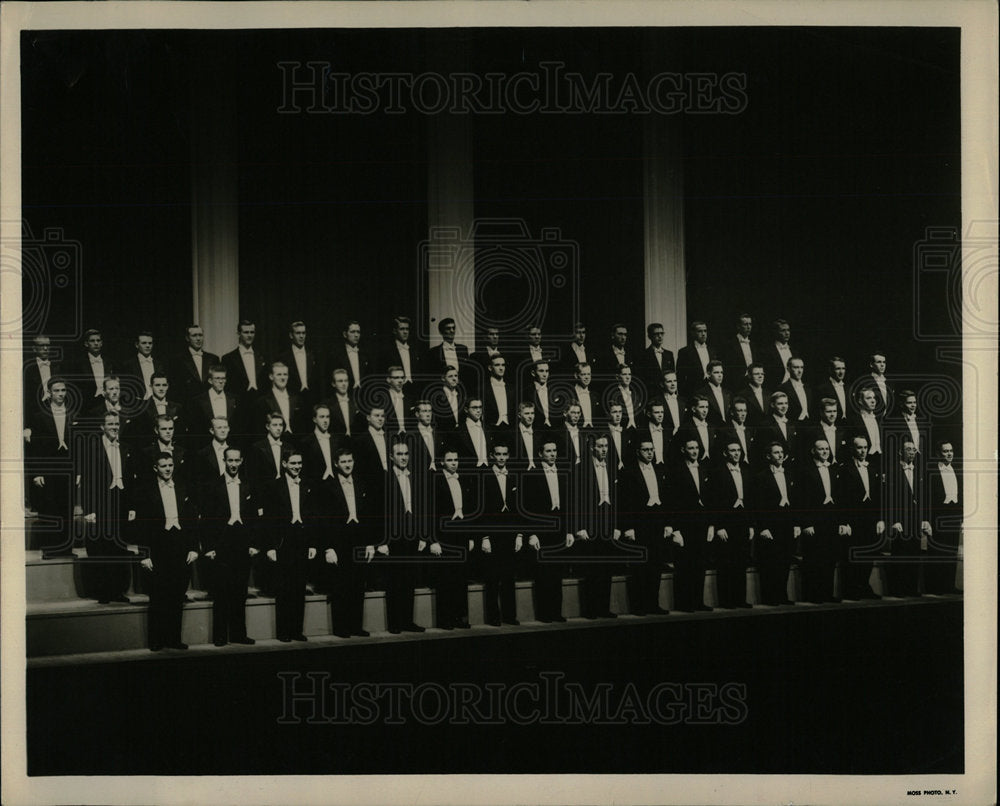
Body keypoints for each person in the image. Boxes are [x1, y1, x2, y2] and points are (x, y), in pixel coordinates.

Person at [135, 452, 200, 651]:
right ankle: (157, 640)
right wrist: (145, 554)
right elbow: (141, 526)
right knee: (158, 596)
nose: (168, 469)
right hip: (158, 547)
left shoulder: (182, 487)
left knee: (177, 594)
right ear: (156, 468)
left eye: (170, 465)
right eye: (163, 465)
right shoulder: (146, 490)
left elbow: (191, 520)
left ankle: (173, 639)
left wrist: (193, 547)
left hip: (180, 545)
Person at [198, 446, 260, 646]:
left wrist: (254, 544)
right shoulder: (212, 486)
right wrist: (209, 547)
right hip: (221, 543)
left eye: (237, 460)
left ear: (241, 461)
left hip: (242, 542)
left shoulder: (248, 485)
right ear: (224, 461)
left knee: (240, 592)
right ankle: (220, 636)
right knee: (222, 591)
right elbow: (206, 520)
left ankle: (238, 634)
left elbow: (253, 519)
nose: (233, 464)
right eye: (230, 461)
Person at [78, 412, 135, 604]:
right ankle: (102, 592)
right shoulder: (92, 448)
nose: (114, 427)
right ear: (102, 427)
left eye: (116, 423)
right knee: (100, 548)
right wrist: (89, 510)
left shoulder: (125, 448)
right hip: (99, 504)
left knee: (118, 548)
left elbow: (130, 481)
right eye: (110, 424)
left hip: (120, 502)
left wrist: (131, 507)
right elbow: (86, 482)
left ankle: (118, 590)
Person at [262, 450, 318, 642]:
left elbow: (311, 516)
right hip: (283, 541)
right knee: (284, 587)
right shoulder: (274, 486)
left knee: (299, 587)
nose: (297, 467)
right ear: (284, 464)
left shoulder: (307, 485)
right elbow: (268, 519)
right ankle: (283, 631)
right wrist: (270, 546)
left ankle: (296, 630)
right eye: (293, 463)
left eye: (299, 463)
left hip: (301, 539)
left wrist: (312, 543)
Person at [324, 447, 376, 638]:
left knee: (358, 584)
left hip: (359, 538)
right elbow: (325, 520)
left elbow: (369, 517)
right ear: (336, 464)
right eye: (344, 462)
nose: (348, 465)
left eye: (350, 461)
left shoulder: (362, 484)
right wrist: (329, 547)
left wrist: (370, 543)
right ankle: (341, 627)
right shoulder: (328, 486)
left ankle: (356, 625)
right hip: (339, 541)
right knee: (341, 585)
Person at [571, 432, 622, 619]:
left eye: (606, 446)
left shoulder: (612, 467)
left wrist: (617, 526)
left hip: (607, 524)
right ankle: (591, 609)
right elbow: (575, 500)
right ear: (592, 447)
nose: (603, 450)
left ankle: (603, 608)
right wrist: (579, 526)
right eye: (600, 446)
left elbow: (618, 500)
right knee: (592, 568)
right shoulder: (580, 468)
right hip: (589, 524)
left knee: (606, 568)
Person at [25, 376, 78, 556]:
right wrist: (37, 473)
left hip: (68, 468)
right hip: (48, 467)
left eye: (63, 390)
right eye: (56, 391)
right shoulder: (39, 416)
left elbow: (79, 446)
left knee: (67, 507)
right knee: (50, 507)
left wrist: (78, 472)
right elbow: (35, 449)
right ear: (49, 393)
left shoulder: (73, 413)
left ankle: (66, 548)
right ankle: (50, 549)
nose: (60, 394)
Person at [619, 439, 671, 615]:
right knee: (640, 566)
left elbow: (666, 500)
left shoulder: (660, 470)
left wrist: (667, 524)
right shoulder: (628, 472)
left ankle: (653, 603)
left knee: (655, 565)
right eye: (645, 449)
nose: (650, 452)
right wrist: (628, 527)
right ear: (637, 452)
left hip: (656, 523)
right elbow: (625, 503)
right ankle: (639, 606)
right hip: (639, 525)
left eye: (651, 449)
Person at [521, 440, 571, 623]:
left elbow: (568, 506)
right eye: (548, 451)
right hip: (541, 531)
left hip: (559, 529)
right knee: (543, 573)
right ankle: (544, 614)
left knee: (557, 573)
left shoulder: (564, 473)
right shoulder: (532, 474)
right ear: (540, 453)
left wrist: (568, 531)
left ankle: (556, 612)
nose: (552, 454)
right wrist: (532, 533)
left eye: (555, 450)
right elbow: (527, 508)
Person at [382, 440, 425, 634]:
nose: (404, 457)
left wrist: (422, 536)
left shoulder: (414, 477)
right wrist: (383, 542)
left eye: (406, 453)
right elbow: (379, 513)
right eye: (399, 454)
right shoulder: (384, 479)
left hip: (412, 536)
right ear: (391, 457)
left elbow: (422, 509)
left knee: (410, 580)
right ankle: (395, 623)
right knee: (394, 580)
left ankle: (408, 620)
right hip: (394, 538)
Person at [430, 450, 476, 630]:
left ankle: (461, 617)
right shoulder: (435, 481)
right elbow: (430, 513)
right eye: (449, 460)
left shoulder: (463, 479)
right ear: (442, 462)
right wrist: (433, 540)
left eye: (456, 459)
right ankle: (445, 619)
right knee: (445, 578)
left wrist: (470, 535)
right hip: (444, 535)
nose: (454, 463)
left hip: (461, 534)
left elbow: (470, 508)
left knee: (461, 577)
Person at [797, 439, 846, 604]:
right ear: (813, 451)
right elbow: (802, 500)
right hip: (814, 521)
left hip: (830, 519)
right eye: (821, 449)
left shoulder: (833, 470)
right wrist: (806, 523)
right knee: (813, 559)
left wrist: (841, 522)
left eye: (827, 449)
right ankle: (812, 594)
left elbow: (839, 498)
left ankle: (826, 593)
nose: (825, 452)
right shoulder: (805, 471)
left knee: (830, 558)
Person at [477, 442, 522, 626]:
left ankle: (510, 616)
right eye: (498, 454)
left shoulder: (514, 477)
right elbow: (480, 511)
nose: (502, 457)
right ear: (492, 455)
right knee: (492, 577)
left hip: (510, 534)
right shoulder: (484, 477)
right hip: (492, 534)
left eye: (504, 454)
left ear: (508, 455)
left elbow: (520, 509)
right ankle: (494, 617)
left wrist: (519, 534)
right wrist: (485, 537)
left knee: (509, 576)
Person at [668, 437, 712, 612]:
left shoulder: (705, 470)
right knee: (685, 564)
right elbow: (673, 502)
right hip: (684, 523)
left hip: (701, 523)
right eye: (691, 448)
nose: (694, 451)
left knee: (699, 564)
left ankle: (697, 601)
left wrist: (711, 525)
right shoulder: (676, 471)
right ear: (683, 450)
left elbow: (711, 500)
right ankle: (684, 603)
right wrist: (676, 529)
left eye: (696, 448)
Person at [709, 439, 753, 609]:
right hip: (726, 522)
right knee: (726, 562)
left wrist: (750, 525)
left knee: (740, 562)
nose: (736, 453)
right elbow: (713, 501)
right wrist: (718, 526)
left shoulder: (747, 472)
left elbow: (751, 501)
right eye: (732, 450)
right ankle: (727, 600)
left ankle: (740, 598)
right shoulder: (717, 472)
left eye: (738, 450)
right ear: (725, 453)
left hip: (742, 520)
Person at [837, 435, 883, 600]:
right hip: (853, 519)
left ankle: (864, 586)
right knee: (852, 554)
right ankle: (851, 588)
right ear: (852, 449)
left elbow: (879, 496)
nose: (863, 451)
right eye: (859, 447)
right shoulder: (844, 469)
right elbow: (841, 498)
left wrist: (880, 519)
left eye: (865, 447)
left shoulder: (873, 468)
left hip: (869, 518)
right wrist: (844, 522)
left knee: (868, 554)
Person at [751, 441, 796, 606]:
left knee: (785, 560)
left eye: (782, 452)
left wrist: (796, 524)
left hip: (786, 524)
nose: (780, 455)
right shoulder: (761, 477)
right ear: (768, 456)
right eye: (776, 452)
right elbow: (758, 504)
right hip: (770, 525)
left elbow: (796, 502)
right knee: (770, 562)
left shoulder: (789, 474)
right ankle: (770, 597)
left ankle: (782, 595)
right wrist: (763, 527)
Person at [884, 438, 928, 597]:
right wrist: (893, 520)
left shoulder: (919, 471)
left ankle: (911, 588)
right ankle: (898, 589)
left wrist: (924, 519)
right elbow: (888, 497)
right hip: (900, 520)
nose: (912, 452)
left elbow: (923, 497)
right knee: (900, 555)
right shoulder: (892, 471)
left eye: (914, 450)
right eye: (908, 449)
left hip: (915, 519)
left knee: (914, 554)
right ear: (900, 452)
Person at [925, 440, 962, 595]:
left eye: (951, 450)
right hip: (938, 514)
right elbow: (927, 496)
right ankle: (935, 586)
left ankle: (949, 585)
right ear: (939, 453)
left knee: (951, 550)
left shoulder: (957, 470)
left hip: (953, 514)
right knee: (937, 551)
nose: (949, 454)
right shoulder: (932, 471)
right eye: (945, 451)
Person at [184, 365, 238, 448]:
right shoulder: (198, 400)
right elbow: (195, 427)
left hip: (229, 445)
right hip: (205, 446)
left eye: (223, 378)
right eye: (217, 378)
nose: (221, 381)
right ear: (210, 380)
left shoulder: (234, 399)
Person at [221, 319, 269, 412]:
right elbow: (227, 386)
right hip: (239, 405)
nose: (249, 335)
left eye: (252, 332)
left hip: (260, 404)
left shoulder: (263, 356)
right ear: (239, 334)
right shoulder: (228, 359)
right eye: (246, 332)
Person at [254, 362, 306, 439]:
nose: (283, 378)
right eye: (279, 374)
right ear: (271, 376)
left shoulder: (297, 399)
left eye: (285, 374)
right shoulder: (262, 401)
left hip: (296, 442)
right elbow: (259, 429)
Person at [171, 324, 220, 402]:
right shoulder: (178, 360)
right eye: (194, 335)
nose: (198, 339)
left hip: (209, 403)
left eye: (200, 335)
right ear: (187, 338)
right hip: (188, 404)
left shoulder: (213, 359)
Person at [277, 320, 320, 404]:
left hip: (312, 399)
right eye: (298, 333)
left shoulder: (313, 355)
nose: (301, 336)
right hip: (292, 399)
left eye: (303, 333)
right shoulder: (283, 357)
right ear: (291, 335)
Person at [68, 328, 114, 402]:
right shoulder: (79, 364)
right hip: (88, 404)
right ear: (86, 344)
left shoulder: (109, 362)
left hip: (108, 401)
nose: (96, 343)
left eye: (98, 340)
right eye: (92, 341)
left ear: (101, 343)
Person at [326, 319, 372, 393]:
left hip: (363, 395)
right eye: (352, 332)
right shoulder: (336, 355)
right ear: (345, 334)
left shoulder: (365, 354)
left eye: (358, 332)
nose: (356, 335)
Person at [121, 331, 168, 400]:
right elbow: (125, 388)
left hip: (157, 402)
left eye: (150, 343)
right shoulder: (128, 365)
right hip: (138, 404)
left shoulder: (159, 364)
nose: (147, 346)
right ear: (137, 345)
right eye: (144, 343)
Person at [675, 321, 717, 396]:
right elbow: (680, 377)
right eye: (700, 331)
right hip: (693, 391)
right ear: (693, 333)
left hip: (712, 390)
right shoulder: (685, 352)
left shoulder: (712, 351)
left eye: (705, 331)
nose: (703, 334)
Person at [378, 315, 421, 388]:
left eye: (407, 329)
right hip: (395, 389)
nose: (405, 332)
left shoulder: (415, 350)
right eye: (402, 329)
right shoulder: (387, 351)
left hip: (414, 389)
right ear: (395, 331)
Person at [636, 322, 676, 391]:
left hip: (667, 392)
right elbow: (641, 378)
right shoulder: (643, 355)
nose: (660, 336)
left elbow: (672, 375)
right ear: (649, 336)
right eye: (656, 334)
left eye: (662, 333)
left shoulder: (669, 354)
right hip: (651, 393)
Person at [322, 368, 361, 438]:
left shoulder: (356, 401)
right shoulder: (327, 404)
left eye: (346, 381)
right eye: (340, 381)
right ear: (333, 384)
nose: (344, 384)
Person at [377, 366, 415, 436]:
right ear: (388, 380)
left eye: (402, 377)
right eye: (396, 378)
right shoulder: (382, 399)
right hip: (388, 438)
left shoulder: (409, 399)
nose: (400, 380)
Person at [812, 398, 851, 465]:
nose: (832, 414)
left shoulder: (843, 431)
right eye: (829, 411)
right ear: (821, 412)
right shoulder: (813, 432)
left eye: (834, 411)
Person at [482, 354, 516, 430]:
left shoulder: (512, 388)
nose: (501, 368)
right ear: (490, 368)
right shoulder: (483, 388)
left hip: (510, 428)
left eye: (503, 365)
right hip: (491, 428)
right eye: (497, 365)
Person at [454, 398, 491, 468]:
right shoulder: (458, 431)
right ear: (466, 410)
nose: (478, 410)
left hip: (487, 469)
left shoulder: (488, 428)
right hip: (468, 471)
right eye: (474, 407)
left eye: (480, 407)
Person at [721, 313, 755, 386]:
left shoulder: (754, 345)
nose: (749, 327)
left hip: (753, 382)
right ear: (738, 326)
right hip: (737, 384)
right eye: (745, 324)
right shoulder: (729, 345)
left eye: (750, 324)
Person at [607, 363, 645, 430]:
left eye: (629, 374)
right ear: (617, 377)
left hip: (636, 430)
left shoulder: (636, 394)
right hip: (622, 430)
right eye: (624, 374)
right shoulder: (612, 394)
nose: (628, 377)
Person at [695, 360, 731, 426]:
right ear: (708, 374)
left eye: (721, 372)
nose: (720, 375)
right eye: (716, 372)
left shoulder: (728, 393)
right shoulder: (701, 393)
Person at [779, 357, 814, 424]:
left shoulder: (808, 387)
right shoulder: (782, 388)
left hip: (809, 424)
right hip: (792, 425)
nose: (800, 371)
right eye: (796, 367)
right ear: (788, 369)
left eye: (801, 367)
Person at [761, 319, 795, 386]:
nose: (787, 333)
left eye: (788, 330)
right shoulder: (767, 352)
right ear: (776, 332)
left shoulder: (794, 351)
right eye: (783, 330)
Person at [815, 357, 850, 422]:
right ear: (830, 370)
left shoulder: (848, 388)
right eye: (838, 369)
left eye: (843, 368)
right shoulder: (822, 389)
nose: (841, 372)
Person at [570, 362, 603, 428]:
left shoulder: (596, 396)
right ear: (576, 375)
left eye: (589, 374)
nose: (587, 377)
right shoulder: (569, 394)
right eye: (583, 374)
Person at [866, 352, 894, 416]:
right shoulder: (867, 382)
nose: (882, 365)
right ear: (871, 364)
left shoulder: (889, 383)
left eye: (884, 362)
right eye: (879, 362)